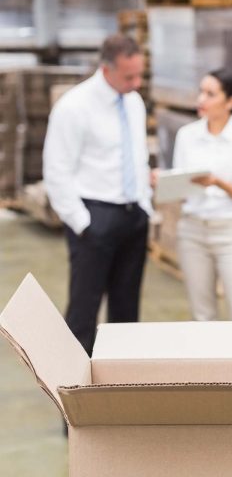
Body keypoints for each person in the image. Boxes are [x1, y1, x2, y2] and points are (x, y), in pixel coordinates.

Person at [44, 34, 151, 356]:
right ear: (106, 70)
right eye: (129, 76)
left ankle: (120, 376)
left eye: (140, 74)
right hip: (95, 216)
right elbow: (56, 169)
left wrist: (145, 203)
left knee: (126, 305)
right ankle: (73, 386)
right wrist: (82, 223)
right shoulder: (74, 107)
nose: (137, 82)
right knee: (84, 306)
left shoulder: (134, 102)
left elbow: (136, 154)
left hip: (134, 215)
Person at [171, 69, 232, 321]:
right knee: (203, 317)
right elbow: (182, 191)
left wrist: (217, 182)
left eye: (211, 94)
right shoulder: (187, 136)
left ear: (231, 101)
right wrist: (166, 182)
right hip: (192, 232)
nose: (201, 99)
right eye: (201, 91)